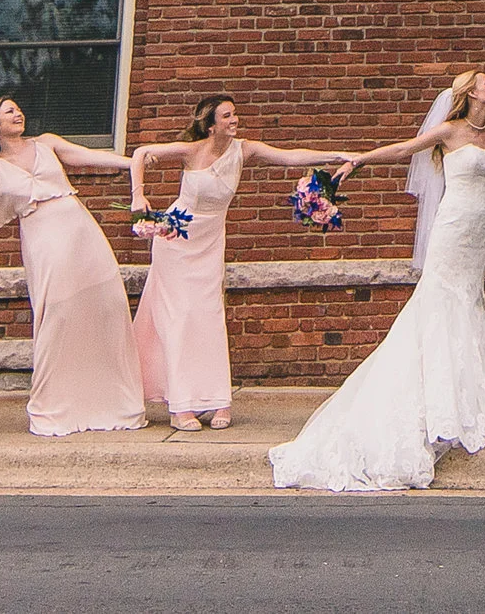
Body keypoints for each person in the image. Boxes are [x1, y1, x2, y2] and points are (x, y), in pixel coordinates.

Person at [269, 70, 485, 490]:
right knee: (441, 305)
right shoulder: (449, 130)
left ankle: (471, 401)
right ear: (468, 92)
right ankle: (436, 405)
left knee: (470, 303)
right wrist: (360, 160)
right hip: (453, 227)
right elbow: (405, 149)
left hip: (482, 229)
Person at [130, 94, 346, 431]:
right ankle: (181, 405)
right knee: (181, 317)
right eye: (227, 116)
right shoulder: (192, 150)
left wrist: (336, 155)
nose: (235, 120)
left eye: (235, 114)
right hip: (177, 238)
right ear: (211, 124)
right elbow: (141, 153)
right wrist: (139, 194)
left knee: (209, 316)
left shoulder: (244, 149)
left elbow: (289, 158)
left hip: (211, 241)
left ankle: (217, 400)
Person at [0, 96, 145, 436]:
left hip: (76, 225)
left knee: (105, 304)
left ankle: (113, 400)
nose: (18, 113)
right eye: (9, 111)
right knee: (58, 312)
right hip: (41, 233)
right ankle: (58, 404)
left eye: (19, 108)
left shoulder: (47, 143)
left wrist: (132, 163)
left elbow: (87, 157)